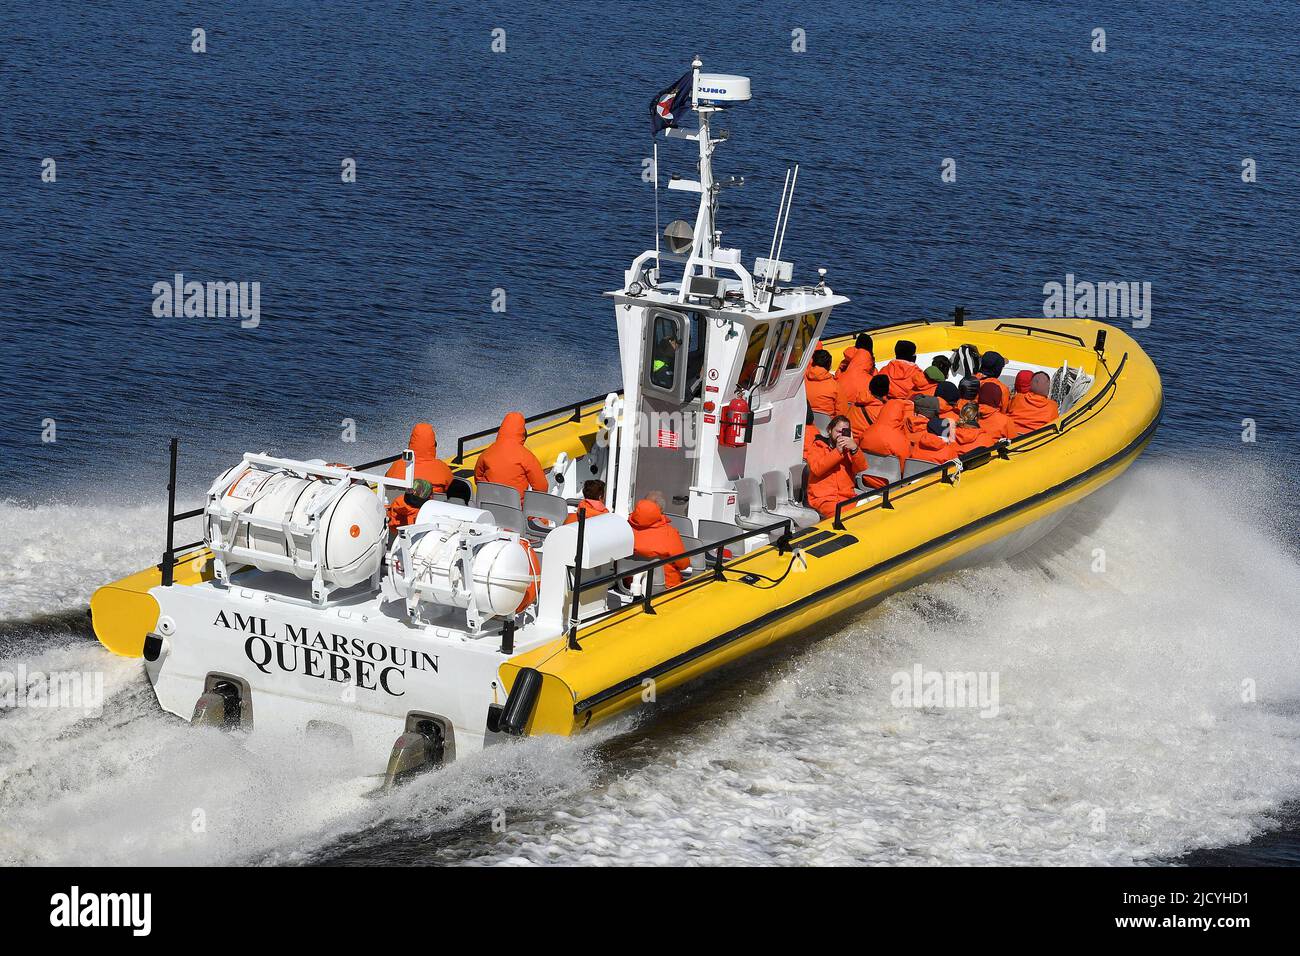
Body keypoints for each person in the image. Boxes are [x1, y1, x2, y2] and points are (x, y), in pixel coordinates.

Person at [474, 411, 548, 503]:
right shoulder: (526, 456)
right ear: (522, 435)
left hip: (488, 506)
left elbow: (478, 479)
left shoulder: (487, 452)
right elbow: (542, 487)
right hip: (515, 511)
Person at [805, 414, 867, 519]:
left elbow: (860, 468)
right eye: (838, 431)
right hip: (823, 499)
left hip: (847, 497)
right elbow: (816, 469)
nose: (841, 435)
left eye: (845, 432)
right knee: (847, 516)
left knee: (873, 507)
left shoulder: (850, 449)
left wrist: (855, 449)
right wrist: (837, 451)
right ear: (829, 430)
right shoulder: (818, 446)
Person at [628, 498, 691, 588]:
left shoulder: (625, 529)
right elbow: (683, 564)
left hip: (630, 584)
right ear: (657, 512)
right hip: (665, 585)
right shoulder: (669, 533)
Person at [385, 422, 453, 492]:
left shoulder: (396, 466)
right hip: (430, 502)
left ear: (410, 444)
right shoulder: (442, 469)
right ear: (433, 446)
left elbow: (387, 482)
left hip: (398, 502)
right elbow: (451, 486)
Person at [860, 398, 911, 488]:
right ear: (901, 415)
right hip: (889, 484)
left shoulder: (867, 432)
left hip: (864, 480)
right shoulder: (901, 440)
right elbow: (905, 468)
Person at [975, 380, 1020, 444]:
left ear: (979, 396)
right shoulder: (1005, 421)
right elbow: (1015, 444)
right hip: (993, 453)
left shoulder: (967, 414)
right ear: (998, 400)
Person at [803, 349, 838, 415]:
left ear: (812, 362)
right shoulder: (835, 386)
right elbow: (842, 412)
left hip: (806, 422)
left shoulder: (801, 381)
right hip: (828, 424)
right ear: (829, 366)